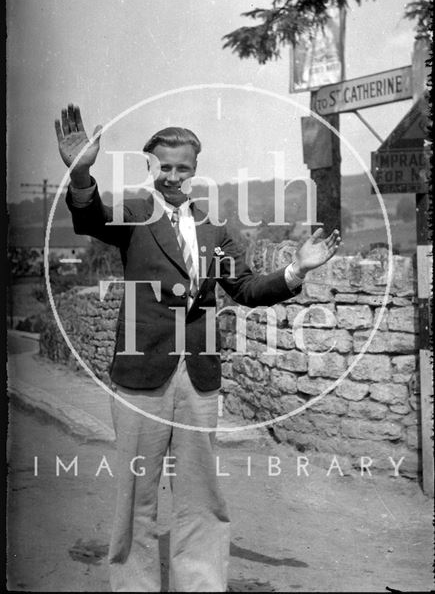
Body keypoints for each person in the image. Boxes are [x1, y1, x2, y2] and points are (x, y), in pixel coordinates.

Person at [55, 103, 341, 592]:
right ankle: (133, 585)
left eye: (181, 167)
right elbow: (89, 220)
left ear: (194, 170)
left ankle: (202, 584)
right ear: (151, 167)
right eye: (163, 166)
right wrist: (81, 173)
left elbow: (246, 288)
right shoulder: (134, 214)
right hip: (141, 374)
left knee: (200, 495)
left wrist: (297, 270)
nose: (171, 175)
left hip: (199, 378)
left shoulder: (215, 228)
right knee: (136, 495)